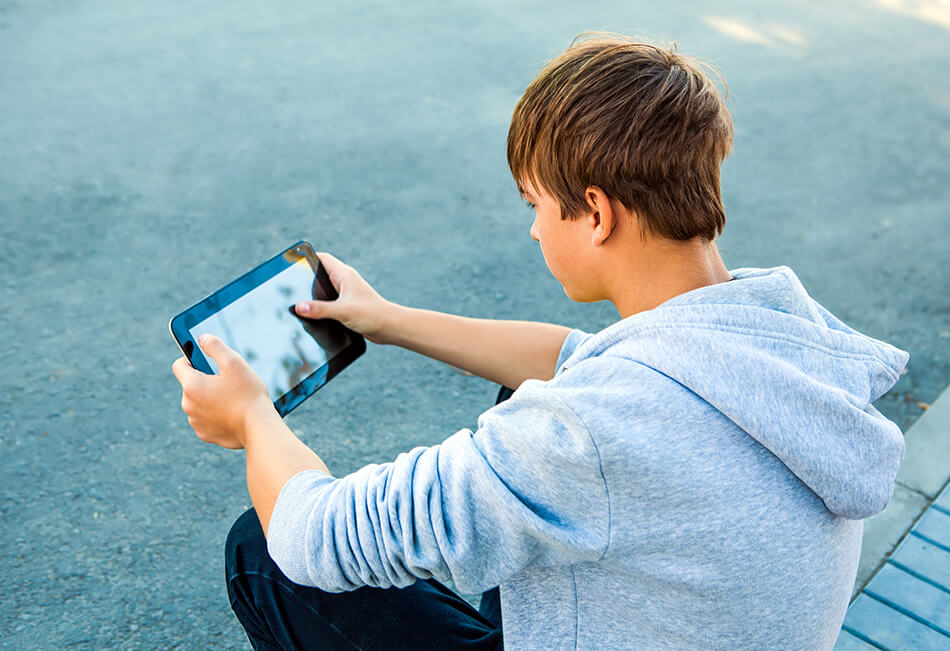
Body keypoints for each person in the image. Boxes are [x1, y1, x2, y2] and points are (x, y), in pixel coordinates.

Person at [172, 34, 908, 650]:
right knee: (526, 388)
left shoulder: (590, 434)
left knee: (264, 553)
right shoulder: (775, 327)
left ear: (595, 212)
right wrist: (386, 317)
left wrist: (251, 416)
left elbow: (315, 535)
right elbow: (573, 357)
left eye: (535, 204)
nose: (531, 229)